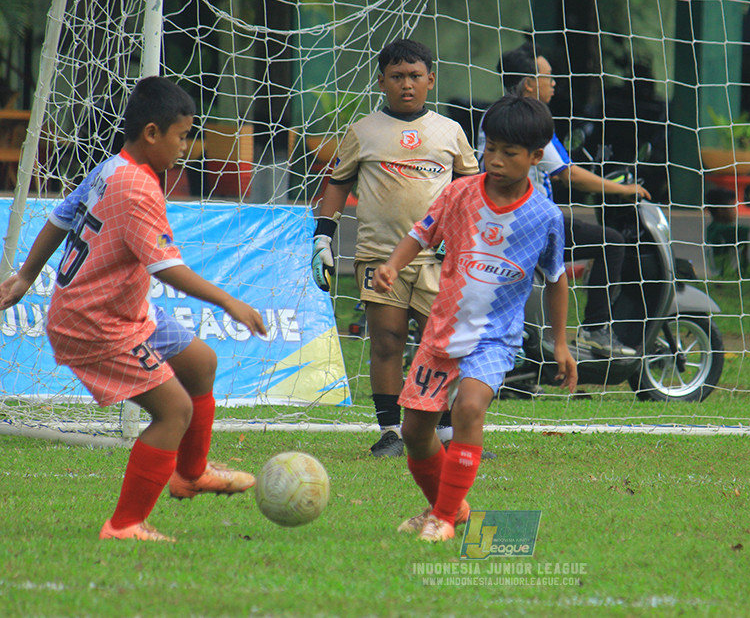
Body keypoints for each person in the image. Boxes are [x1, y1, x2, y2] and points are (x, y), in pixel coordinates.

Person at [0, 76, 267, 542]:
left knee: (201, 363)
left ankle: (191, 474)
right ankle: (124, 525)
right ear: (151, 133)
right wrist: (229, 301)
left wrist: (26, 276)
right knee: (173, 412)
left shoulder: (110, 168)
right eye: (182, 136)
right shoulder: (138, 189)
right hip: (95, 323)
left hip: (123, 310)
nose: (187, 147)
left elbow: (60, 218)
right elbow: (166, 267)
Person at [375, 95, 577, 542]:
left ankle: (443, 519)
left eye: (510, 152)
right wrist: (392, 264)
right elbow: (421, 232)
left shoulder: (545, 216)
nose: (496, 159)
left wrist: (560, 342)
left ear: (536, 157)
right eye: (491, 148)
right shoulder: (460, 193)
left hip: (495, 339)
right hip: (442, 333)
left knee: (468, 408)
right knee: (414, 432)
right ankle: (452, 508)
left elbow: (557, 278)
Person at [311, 39, 480, 457]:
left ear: (431, 80)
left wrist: (465, 240)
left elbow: (471, 189)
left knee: (439, 343)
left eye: (416, 77)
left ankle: (443, 429)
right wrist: (322, 237)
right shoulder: (363, 131)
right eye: (398, 77)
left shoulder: (449, 131)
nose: (407, 85)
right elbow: (338, 183)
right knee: (387, 340)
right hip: (378, 257)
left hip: (436, 258)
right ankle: (390, 430)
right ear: (382, 81)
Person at [489, 40, 651, 358]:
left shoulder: (494, 115)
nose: (554, 84)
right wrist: (622, 189)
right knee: (612, 242)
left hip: (501, 216)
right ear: (531, 83)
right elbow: (568, 174)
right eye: (549, 77)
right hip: (531, 219)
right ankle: (595, 330)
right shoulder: (531, 120)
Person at [704, 187, 749, 277]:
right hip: (727, 276)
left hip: (717, 274)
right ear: (721, 211)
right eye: (732, 207)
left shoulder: (711, 228)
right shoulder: (724, 231)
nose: (735, 212)